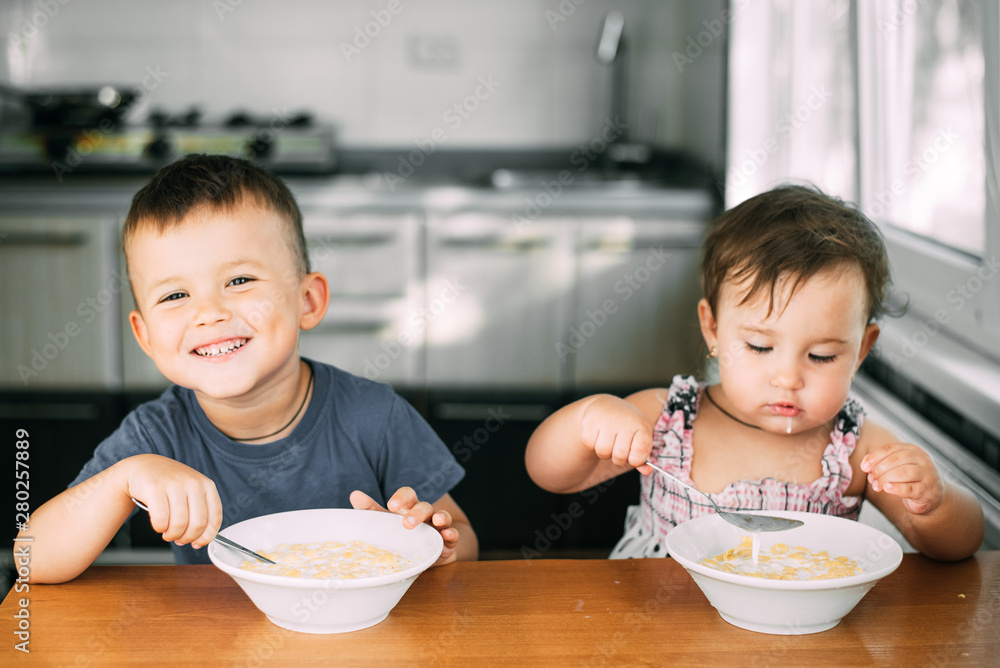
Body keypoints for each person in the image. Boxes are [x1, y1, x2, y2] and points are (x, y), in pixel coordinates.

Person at [19, 154, 477, 583]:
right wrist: (123, 479)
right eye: (175, 296)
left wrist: (431, 544)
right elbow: (30, 558)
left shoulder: (375, 416)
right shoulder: (154, 438)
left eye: (239, 281)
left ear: (308, 300)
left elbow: (463, 539)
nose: (209, 312)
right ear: (146, 337)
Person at [525, 184, 984, 561]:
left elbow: (960, 546)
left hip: (801, 635)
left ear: (862, 349)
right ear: (714, 329)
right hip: (662, 628)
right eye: (760, 346)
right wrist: (591, 418)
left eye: (822, 356)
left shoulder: (857, 446)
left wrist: (936, 501)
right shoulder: (667, 418)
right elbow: (548, 473)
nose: (787, 378)